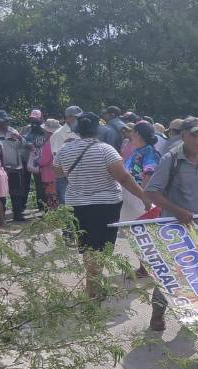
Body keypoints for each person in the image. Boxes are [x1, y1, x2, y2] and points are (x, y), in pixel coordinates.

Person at [142, 117, 198, 326]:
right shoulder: (171, 159)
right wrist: (177, 211)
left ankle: (195, 316)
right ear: (183, 136)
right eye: (194, 135)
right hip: (174, 229)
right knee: (171, 273)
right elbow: (152, 191)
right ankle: (158, 314)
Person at [55, 112, 148, 299]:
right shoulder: (106, 150)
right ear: (97, 129)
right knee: (102, 246)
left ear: (78, 130)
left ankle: (93, 283)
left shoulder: (66, 149)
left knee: (88, 245)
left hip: (77, 204)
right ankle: (93, 286)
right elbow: (123, 178)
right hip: (105, 205)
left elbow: (57, 172)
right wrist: (144, 197)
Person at [120, 121, 161, 222]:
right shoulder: (139, 150)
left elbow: (150, 172)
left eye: (132, 133)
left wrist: (141, 195)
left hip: (138, 199)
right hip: (130, 195)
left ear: (137, 134)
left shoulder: (149, 152)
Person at [0, 110, 31, 222]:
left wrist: (20, 138)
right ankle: (1, 216)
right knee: (0, 193)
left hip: (15, 167)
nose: (6, 123)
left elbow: (23, 145)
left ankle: (17, 214)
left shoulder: (13, 131)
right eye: (4, 121)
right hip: (0, 168)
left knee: (16, 192)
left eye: (7, 121)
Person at [50, 106, 83, 204]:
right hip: (65, 176)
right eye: (76, 117)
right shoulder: (58, 134)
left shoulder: (80, 131)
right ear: (67, 117)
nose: (78, 120)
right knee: (67, 203)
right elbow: (57, 157)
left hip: (79, 175)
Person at [20, 110, 50, 213]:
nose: (34, 122)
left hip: (40, 161)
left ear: (41, 119)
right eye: (32, 119)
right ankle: (22, 206)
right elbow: (21, 140)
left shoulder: (45, 130)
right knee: (24, 183)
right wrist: (28, 144)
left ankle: (42, 206)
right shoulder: (26, 129)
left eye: (36, 120)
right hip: (26, 159)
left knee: (40, 184)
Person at [34, 118, 61, 210]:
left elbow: (43, 161)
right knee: (59, 198)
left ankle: (54, 216)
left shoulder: (48, 144)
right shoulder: (61, 142)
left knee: (51, 199)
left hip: (49, 175)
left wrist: (37, 161)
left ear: (48, 132)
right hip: (60, 174)